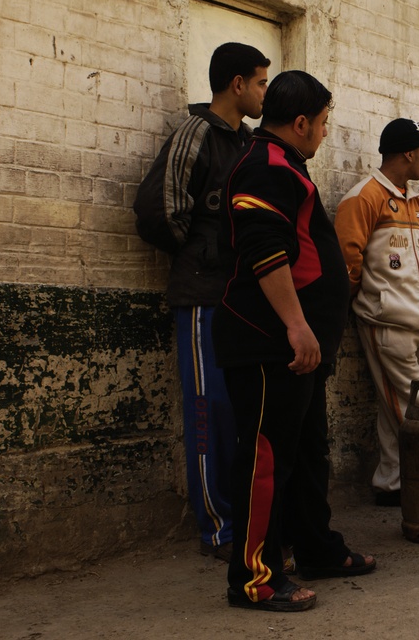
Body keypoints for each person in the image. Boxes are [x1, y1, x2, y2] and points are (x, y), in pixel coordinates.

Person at [214, 71, 376, 612]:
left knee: (306, 453)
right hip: (269, 342)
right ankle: (254, 579)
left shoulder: (287, 166)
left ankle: (315, 547)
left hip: (297, 348)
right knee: (265, 459)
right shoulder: (265, 166)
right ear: (301, 122)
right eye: (324, 123)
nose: (326, 133)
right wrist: (297, 325)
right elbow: (264, 250)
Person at [133, 42, 270, 560]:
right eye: (259, 82)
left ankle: (244, 519)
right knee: (209, 413)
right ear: (237, 84)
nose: (264, 92)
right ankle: (218, 528)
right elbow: (160, 211)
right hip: (201, 300)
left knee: (241, 413)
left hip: (241, 300)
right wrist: (205, 257)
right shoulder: (196, 134)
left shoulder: (249, 143)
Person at [335, 118, 419, 507]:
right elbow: (347, 262)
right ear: (407, 153)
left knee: (399, 407)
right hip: (388, 324)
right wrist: (359, 306)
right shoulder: (363, 197)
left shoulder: (417, 205)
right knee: (413, 408)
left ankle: (393, 481)